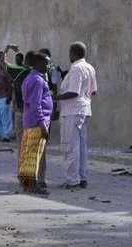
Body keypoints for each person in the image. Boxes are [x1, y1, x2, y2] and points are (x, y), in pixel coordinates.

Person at [53, 42, 97, 189]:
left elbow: (74, 92)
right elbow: (93, 91)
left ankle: (73, 180)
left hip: (72, 111)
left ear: (73, 53)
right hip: (84, 110)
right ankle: (82, 178)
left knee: (71, 146)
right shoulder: (89, 68)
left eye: (70, 53)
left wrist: (55, 97)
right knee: (81, 147)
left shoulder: (76, 68)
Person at [18, 52, 54, 195]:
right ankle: (32, 185)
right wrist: (42, 124)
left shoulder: (31, 77)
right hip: (37, 122)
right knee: (34, 154)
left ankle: (28, 183)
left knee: (29, 153)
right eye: (46, 63)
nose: (48, 66)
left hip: (31, 121)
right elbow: (35, 103)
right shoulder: (37, 80)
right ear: (38, 63)